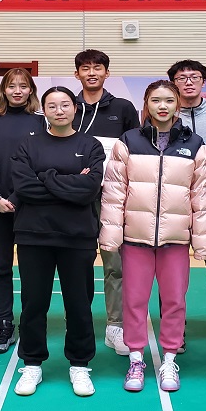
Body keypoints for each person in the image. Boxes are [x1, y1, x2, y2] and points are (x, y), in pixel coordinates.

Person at [100, 80, 206, 393]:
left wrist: (203, 240)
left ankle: (169, 359)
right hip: (135, 239)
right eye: (155, 100)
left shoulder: (195, 145)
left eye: (168, 100)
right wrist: (111, 235)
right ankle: (136, 358)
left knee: (175, 301)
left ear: (177, 105)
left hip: (175, 241)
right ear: (146, 105)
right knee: (134, 301)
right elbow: (113, 194)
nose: (162, 106)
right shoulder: (128, 141)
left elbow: (203, 196)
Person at [10, 86, 106, 397]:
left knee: (78, 304)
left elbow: (88, 190)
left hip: (78, 236)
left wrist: (46, 177)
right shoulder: (27, 144)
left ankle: (80, 365)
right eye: (52, 106)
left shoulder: (90, 145)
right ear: (44, 110)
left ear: (75, 108)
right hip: (33, 235)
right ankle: (32, 364)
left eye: (65, 105)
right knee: (33, 303)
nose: (59, 110)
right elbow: (24, 188)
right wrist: (69, 182)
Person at [72, 49, 139, 356]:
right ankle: (79, 321)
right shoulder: (68, 106)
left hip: (112, 196)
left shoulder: (122, 107)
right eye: (85, 68)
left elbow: (134, 150)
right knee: (78, 263)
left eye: (97, 68)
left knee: (115, 264)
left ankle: (116, 325)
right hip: (75, 198)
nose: (92, 73)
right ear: (77, 74)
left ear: (106, 73)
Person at [0, 68, 45, 354]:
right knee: (1, 268)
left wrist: (17, 197)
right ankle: (4, 323)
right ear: (3, 91)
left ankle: (30, 325)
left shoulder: (41, 122)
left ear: (31, 91)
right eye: (11, 86)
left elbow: (40, 164)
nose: (17, 91)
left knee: (32, 270)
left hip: (30, 207)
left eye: (23, 86)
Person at [168, 59, 206, 354]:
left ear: (204, 82)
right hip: (173, 209)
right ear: (174, 83)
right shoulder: (163, 116)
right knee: (172, 274)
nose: (188, 82)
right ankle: (174, 330)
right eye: (182, 78)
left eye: (194, 77)